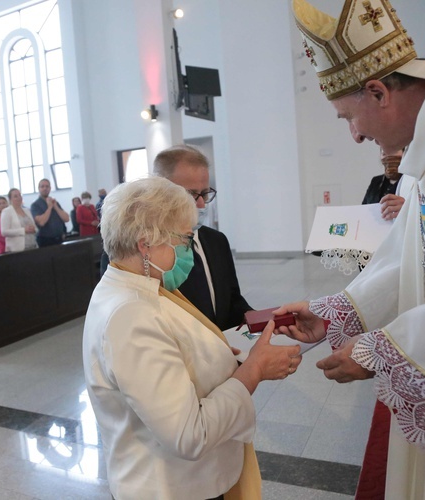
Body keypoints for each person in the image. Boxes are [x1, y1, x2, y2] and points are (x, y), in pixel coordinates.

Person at [282, 1, 425, 498]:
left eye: (350, 117)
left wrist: (376, 353)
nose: (356, 135)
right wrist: (338, 313)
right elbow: (409, 252)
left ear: (378, 91)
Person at [83, 176, 301, 499]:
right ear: (146, 243)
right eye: (184, 241)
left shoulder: (136, 284)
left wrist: (234, 360)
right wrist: (253, 371)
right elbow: (188, 434)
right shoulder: (129, 315)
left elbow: (177, 354)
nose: (190, 253)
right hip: (170, 489)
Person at [153, 145, 253, 330]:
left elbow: (232, 301)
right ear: (160, 191)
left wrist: (257, 320)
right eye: (190, 194)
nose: (200, 204)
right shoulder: (140, 252)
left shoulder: (217, 241)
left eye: (205, 193)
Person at [362, 148, 411, 221]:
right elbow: (364, 209)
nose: (388, 156)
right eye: (384, 153)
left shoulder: (410, 181)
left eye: (394, 151)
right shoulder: (376, 181)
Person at [30, 179, 69, 247]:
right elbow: (41, 222)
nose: (45, 188)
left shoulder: (55, 203)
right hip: (45, 241)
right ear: (39, 189)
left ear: (50, 188)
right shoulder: (35, 205)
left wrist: (56, 206)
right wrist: (50, 208)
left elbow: (66, 219)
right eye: (42, 186)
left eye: (47, 186)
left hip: (59, 239)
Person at [0, 188, 37, 253]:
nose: (19, 198)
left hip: (32, 246)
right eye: (15, 196)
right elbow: (4, 232)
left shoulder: (27, 210)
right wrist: (23, 230)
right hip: (17, 249)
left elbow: (35, 226)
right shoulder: (6, 211)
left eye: (20, 195)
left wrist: (34, 229)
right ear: (10, 199)